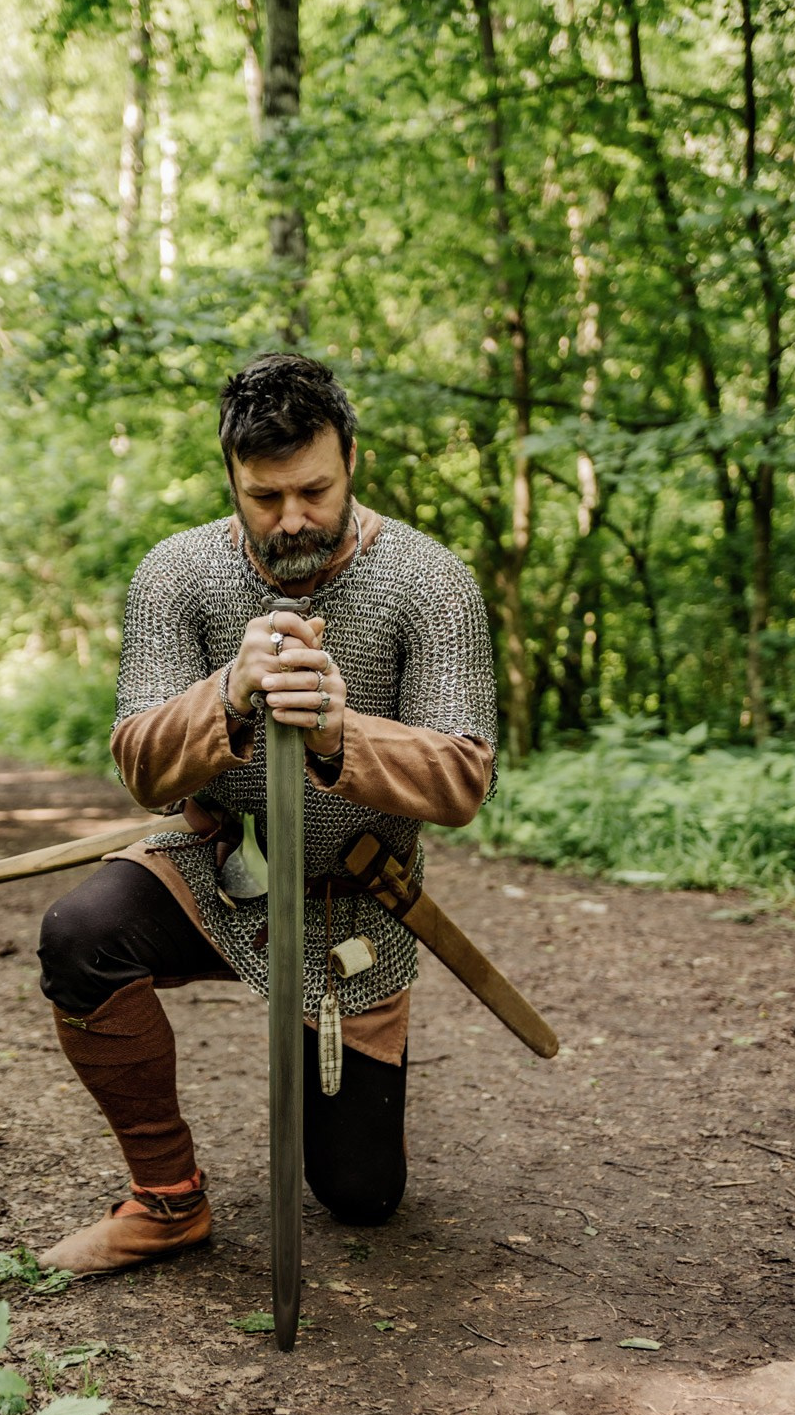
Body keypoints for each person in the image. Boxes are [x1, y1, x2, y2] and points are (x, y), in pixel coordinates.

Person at [36, 352, 498, 1273]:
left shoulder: (430, 581)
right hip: (213, 867)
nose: (292, 518)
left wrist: (338, 734)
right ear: (231, 478)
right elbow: (141, 767)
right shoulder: (176, 574)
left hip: (352, 903)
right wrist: (228, 695)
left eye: (313, 491)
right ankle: (166, 1201)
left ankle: (339, 1109)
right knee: (80, 935)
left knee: (359, 1197)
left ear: (351, 460)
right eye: (264, 496)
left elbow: (462, 780)